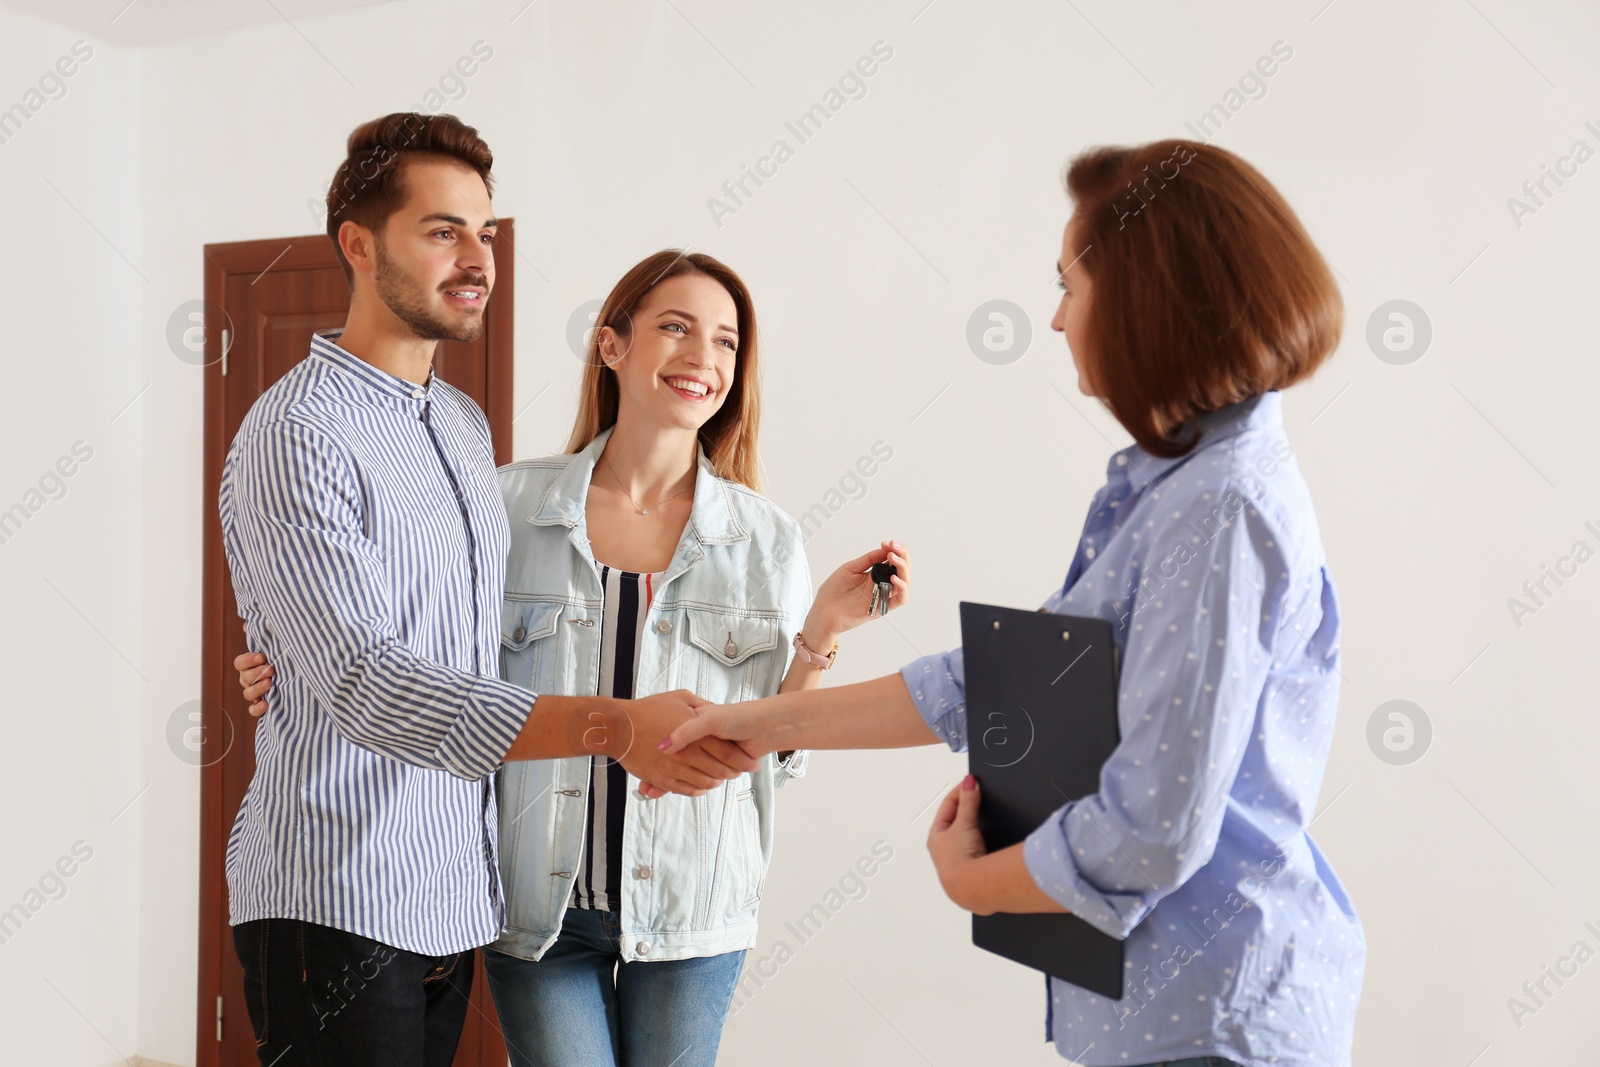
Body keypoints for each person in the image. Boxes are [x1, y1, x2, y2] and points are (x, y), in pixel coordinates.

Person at [664, 139, 1367, 1067]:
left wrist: (974, 882)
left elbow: (1153, 827)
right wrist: (756, 721)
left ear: (1148, 298)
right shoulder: (1174, 487)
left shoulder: (1218, 509)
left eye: (1071, 288)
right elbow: (993, 682)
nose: (1056, 320)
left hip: (1214, 1017)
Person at [234, 248, 911, 1066]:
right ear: (613, 344)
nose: (703, 357)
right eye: (676, 327)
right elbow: (423, 645)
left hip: (693, 905)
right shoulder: (511, 503)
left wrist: (823, 631)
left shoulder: (767, 539)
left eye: (727, 341)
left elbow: (781, 755)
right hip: (537, 903)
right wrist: (286, 666)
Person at [219, 114, 751, 1067]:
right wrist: (613, 725)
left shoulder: (462, 427)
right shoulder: (295, 430)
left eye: (485, 233)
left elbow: (474, 640)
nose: (476, 258)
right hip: (336, 888)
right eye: (442, 231)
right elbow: (366, 682)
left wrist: (279, 670)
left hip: (451, 890)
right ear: (359, 243)